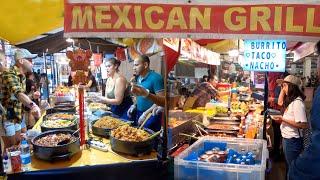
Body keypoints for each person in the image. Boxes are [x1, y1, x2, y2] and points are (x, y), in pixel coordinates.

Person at [288, 41, 320, 180]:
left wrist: (297, 168)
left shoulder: (298, 103)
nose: (317, 67)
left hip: (296, 144)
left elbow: (306, 126)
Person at [0, 48, 41, 150]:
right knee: (10, 148)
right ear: (21, 61)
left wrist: (31, 97)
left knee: (18, 145)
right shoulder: (9, 74)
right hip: (6, 117)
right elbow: (18, 93)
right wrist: (33, 105)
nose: (32, 63)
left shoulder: (21, 76)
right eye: (30, 60)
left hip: (17, 116)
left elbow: (15, 97)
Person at [274, 75, 308, 176]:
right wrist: (283, 88)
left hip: (293, 141)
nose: (283, 88)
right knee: (289, 166)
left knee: (292, 168)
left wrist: (283, 119)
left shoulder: (298, 103)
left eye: (284, 86)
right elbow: (280, 102)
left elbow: (303, 124)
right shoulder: (291, 100)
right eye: (282, 86)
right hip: (287, 139)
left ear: (292, 87)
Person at [128, 55, 164, 132]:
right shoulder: (139, 78)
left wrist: (145, 114)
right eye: (134, 65)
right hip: (139, 112)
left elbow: (161, 101)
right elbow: (139, 95)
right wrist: (134, 105)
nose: (134, 68)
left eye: (136, 65)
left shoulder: (156, 78)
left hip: (151, 114)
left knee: (150, 138)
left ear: (145, 65)